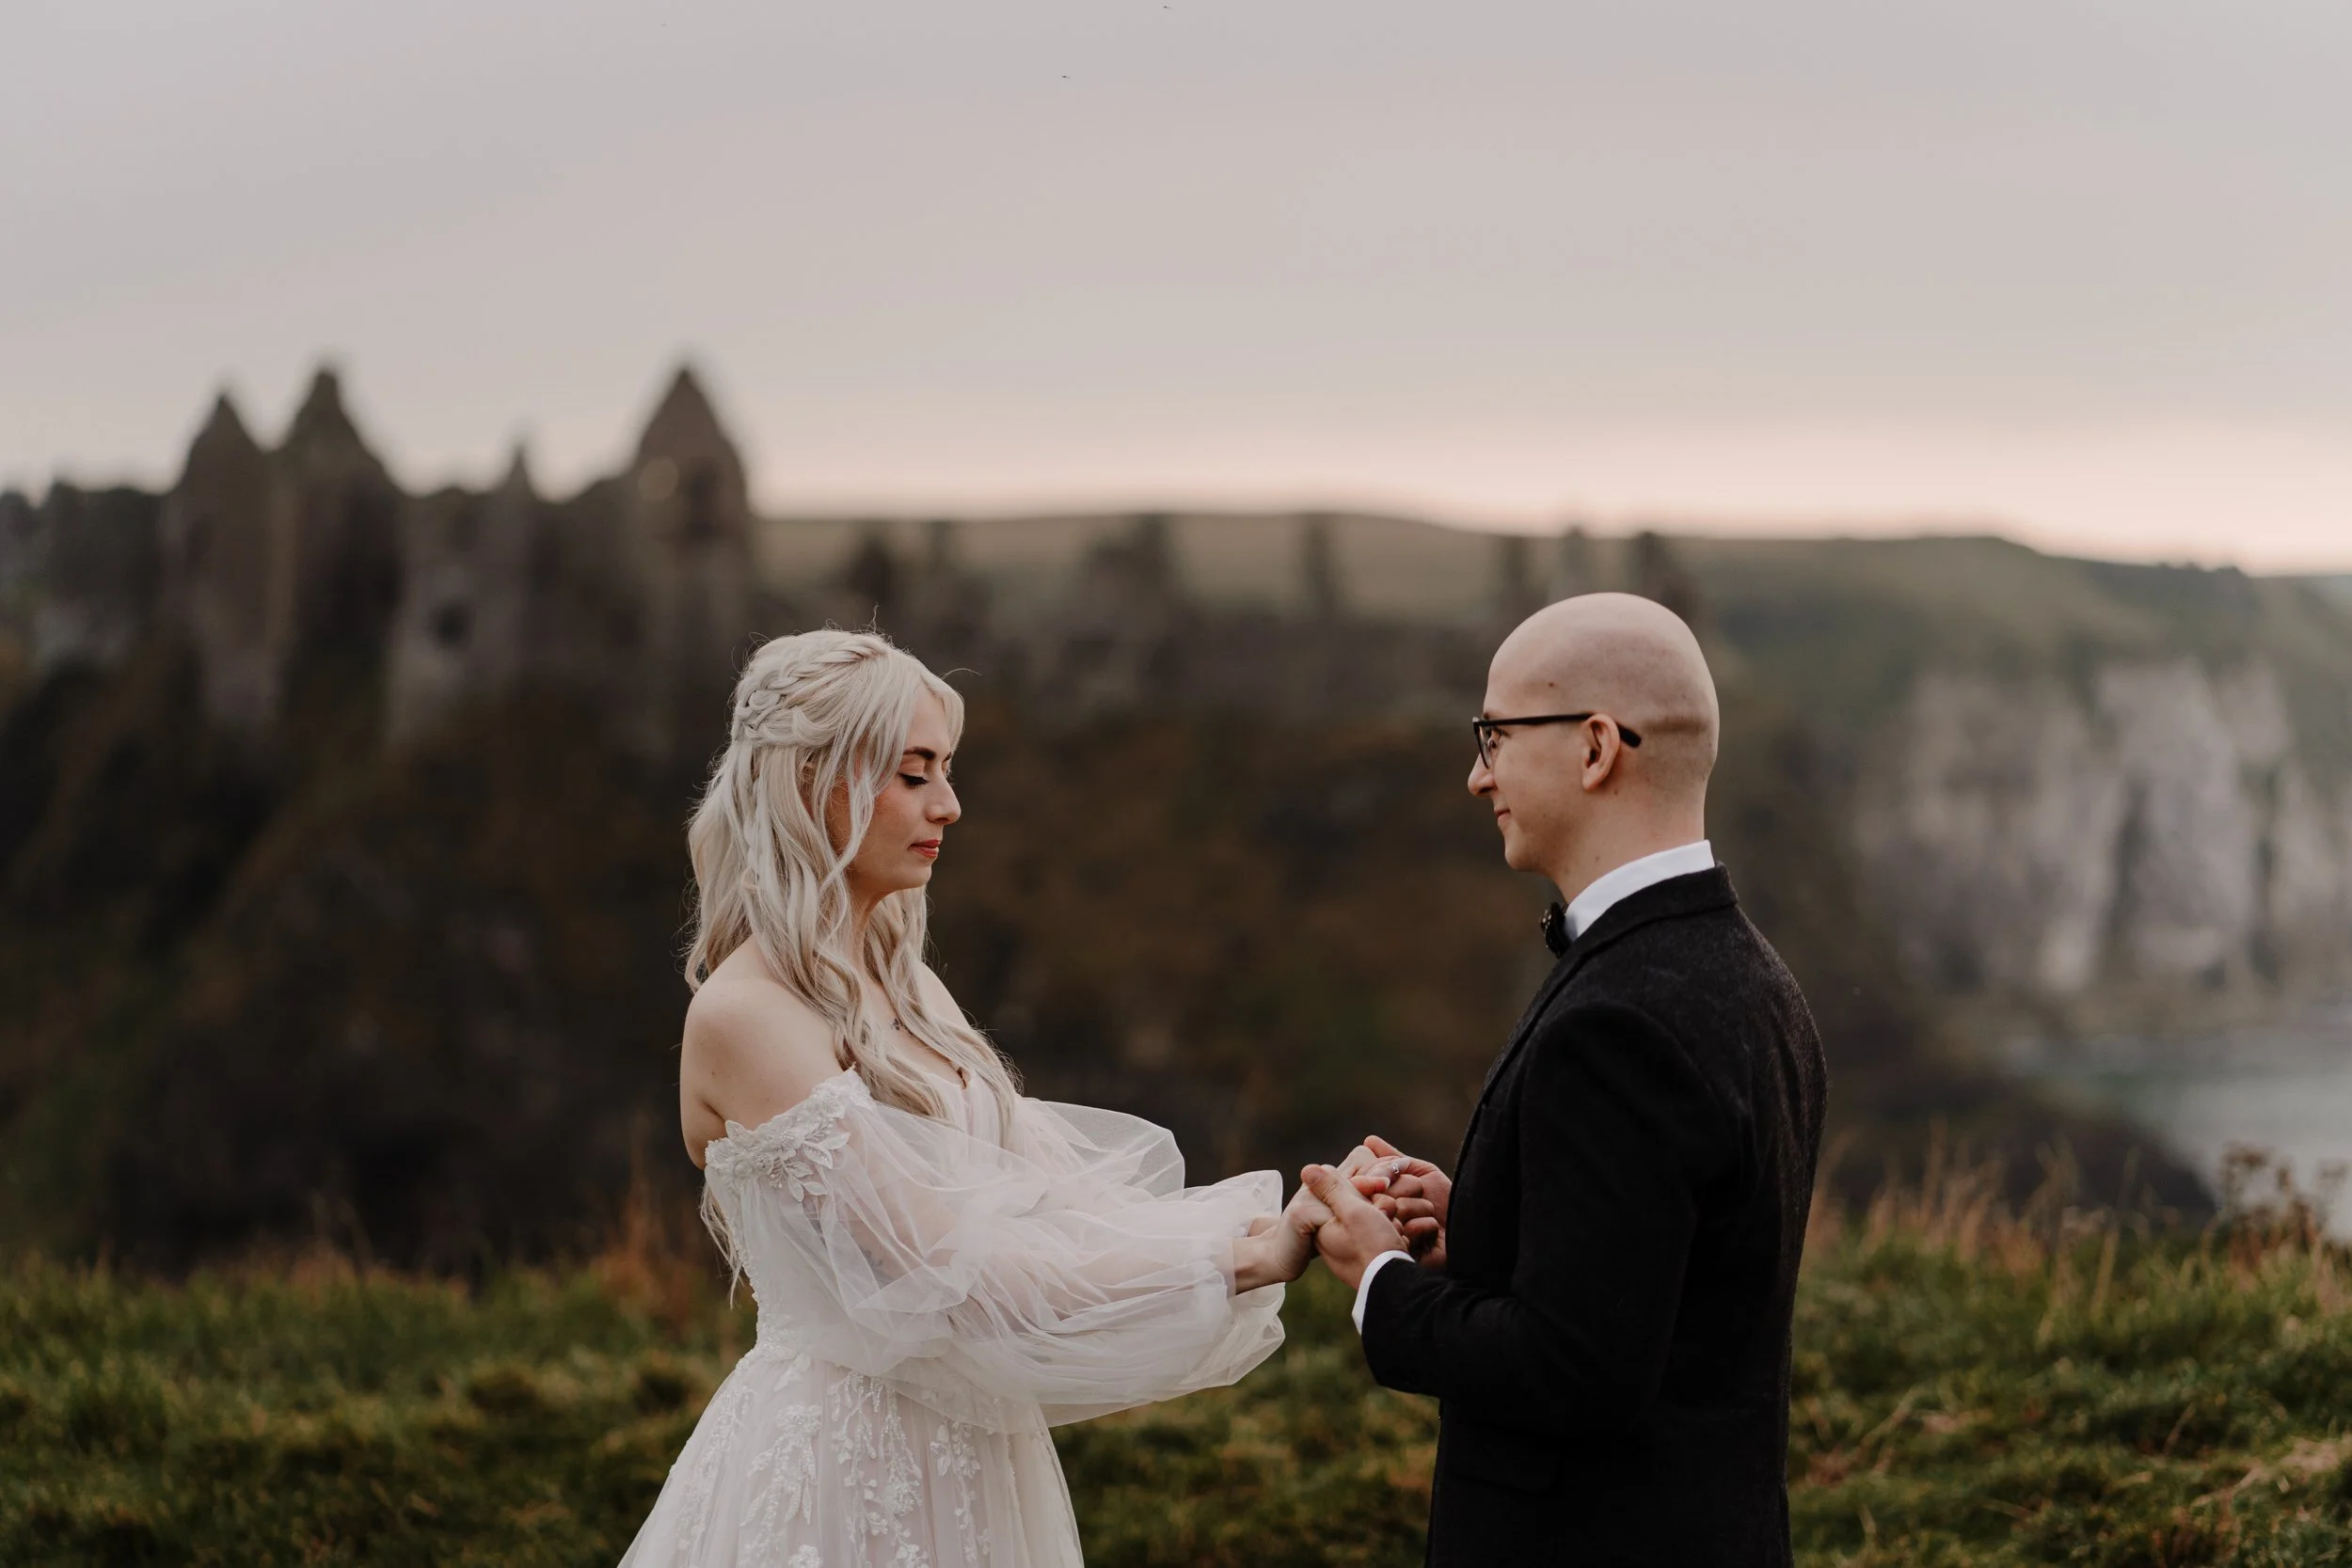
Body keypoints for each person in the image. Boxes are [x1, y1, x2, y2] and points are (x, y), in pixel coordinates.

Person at [616, 628, 1332, 1568]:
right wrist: (1242, 1258)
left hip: (977, 1455)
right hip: (837, 1474)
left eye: (945, 771)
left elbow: (1058, 1208)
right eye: (913, 775)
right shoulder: (745, 1014)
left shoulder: (905, 987)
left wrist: (1275, 1222)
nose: (949, 806)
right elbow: (960, 1274)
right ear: (808, 780)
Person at [1303, 593, 1830, 1568]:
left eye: (1494, 734)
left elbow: (1573, 1371)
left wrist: (1379, 1277)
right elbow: (1669, 1291)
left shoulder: (1615, 1022)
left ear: (1594, 749)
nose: (1475, 774)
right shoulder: (1756, 978)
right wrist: (1495, 1231)